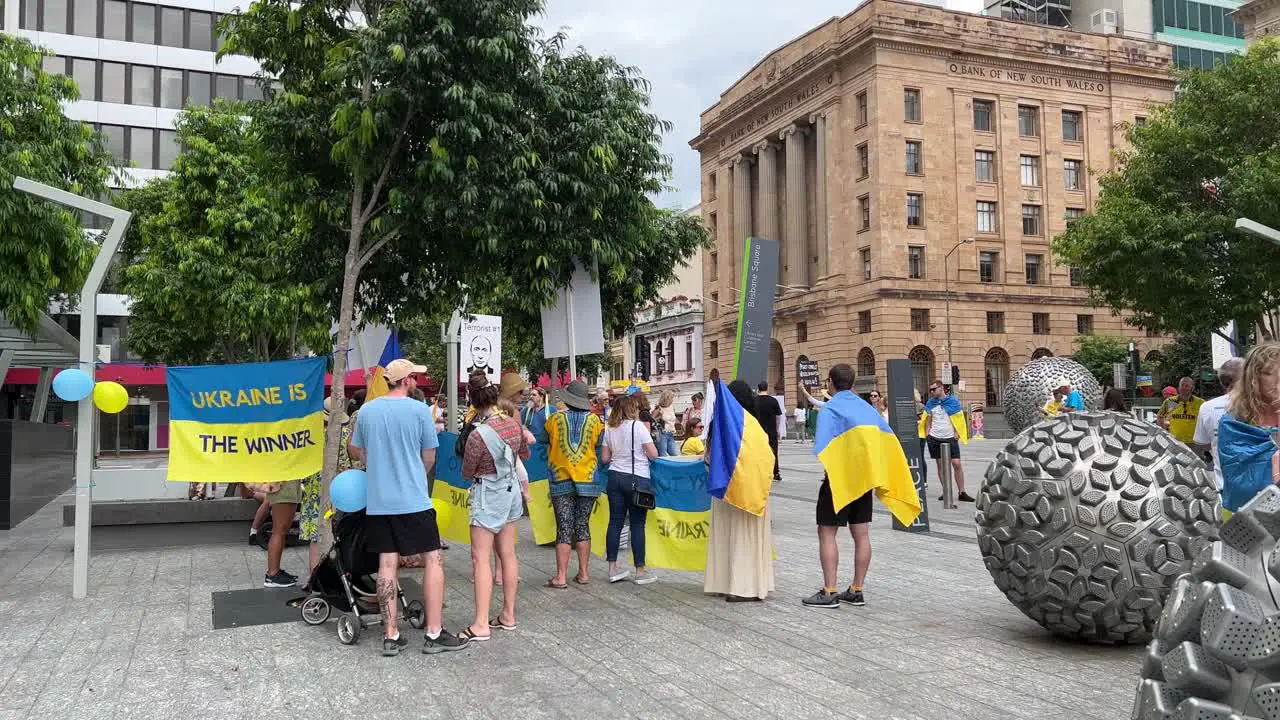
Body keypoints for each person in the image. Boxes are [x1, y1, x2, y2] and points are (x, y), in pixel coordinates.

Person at [349, 358, 467, 656]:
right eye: (414, 377)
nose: (416, 381)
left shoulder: (367, 411)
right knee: (433, 559)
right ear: (406, 380)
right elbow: (429, 457)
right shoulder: (419, 411)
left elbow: (360, 452)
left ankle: (390, 635)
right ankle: (434, 631)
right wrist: (412, 472)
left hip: (379, 501)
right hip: (413, 498)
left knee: (386, 565)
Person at [460, 373, 529, 641]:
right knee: (508, 554)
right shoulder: (512, 424)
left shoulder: (478, 435)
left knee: (481, 558)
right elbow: (524, 453)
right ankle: (508, 615)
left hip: (488, 493)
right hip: (511, 490)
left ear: (474, 402)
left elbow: (467, 471)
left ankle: (480, 623)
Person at [803, 364, 872, 609]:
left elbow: (823, 445)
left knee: (827, 532)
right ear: (852, 383)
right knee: (861, 533)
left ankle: (829, 590)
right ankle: (857, 589)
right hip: (864, 478)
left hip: (838, 478)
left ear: (830, 381)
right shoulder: (866, 408)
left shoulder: (830, 408)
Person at [705, 380, 775, 603]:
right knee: (747, 537)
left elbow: (709, 456)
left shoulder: (719, 424)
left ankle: (723, 582)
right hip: (752, 488)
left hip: (726, 488)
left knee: (726, 536)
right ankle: (747, 585)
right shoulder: (754, 425)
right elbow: (767, 457)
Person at [545, 380, 606, 588]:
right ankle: (584, 573)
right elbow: (599, 445)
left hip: (561, 479)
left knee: (563, 527)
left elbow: (547, 440)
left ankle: (561, 577)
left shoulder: (554, 419)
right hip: (588, 479)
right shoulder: (596, 421)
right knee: (582, 526)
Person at [601, 395, 658, 584]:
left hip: (615, 477)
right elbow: (653, 454)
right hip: (637, 478)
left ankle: (612, 568)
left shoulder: (609, 429)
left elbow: (605, 458)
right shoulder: (638, 426)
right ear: (631, 409)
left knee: (615, 522)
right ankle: (640, 571)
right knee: (637, 524)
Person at [1219, 344, 1280, 518]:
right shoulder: (1233, 423)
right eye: (1269, 373)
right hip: (1252, 525)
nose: (1277, 380)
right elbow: (1241, 485)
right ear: (1253, 378)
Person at [1193, 358, 1243, 492]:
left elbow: (1204, 442)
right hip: (1264, 491)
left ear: (1222, 382)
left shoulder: (1207, 407)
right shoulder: (1263, 405)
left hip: (1224, 488)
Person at [924, 379, 973, 502]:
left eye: (933, 389)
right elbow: (928, 420)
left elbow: (959, 418)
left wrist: (957, 433)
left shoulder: (953, 401)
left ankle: (962, 492)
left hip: (949, 437)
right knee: (940, 465)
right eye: (930, 390)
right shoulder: (931, 403)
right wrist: (927, 434)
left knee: (956, 463)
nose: (931, 392)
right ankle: (946, 490)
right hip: (934, 437)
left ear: (941, 388)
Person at [1158, 376, 1205, 445]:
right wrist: (1163, 429)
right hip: (1174, 442)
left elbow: (1207, 420)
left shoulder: (1200, 403)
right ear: (1178, 387)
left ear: (1192, 388)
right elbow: (1160, 416)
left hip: (1195, 443)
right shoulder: (1171, 401)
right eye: (1182, 385)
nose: (1184, 388)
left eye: (1187, 386)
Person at [754, 381, 783, 482]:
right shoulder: (773, 401)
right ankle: (776, 472)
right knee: (774, 452)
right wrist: (778, 429)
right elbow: (778, 416)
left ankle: (760, 472)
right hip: (771, 431)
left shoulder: (754, 401)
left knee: (759, 452)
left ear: (758, 389)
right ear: (767, 388)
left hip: (758, 432)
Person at [653, 390, 678, 456]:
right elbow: (652, 420)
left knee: (675, 455)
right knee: (663, 455)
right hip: (662, 433)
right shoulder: (658, 408)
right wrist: (659, 417)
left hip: (671, 434)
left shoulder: (672, 407)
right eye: (672, 398)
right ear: (667, 398)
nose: (673, 399)